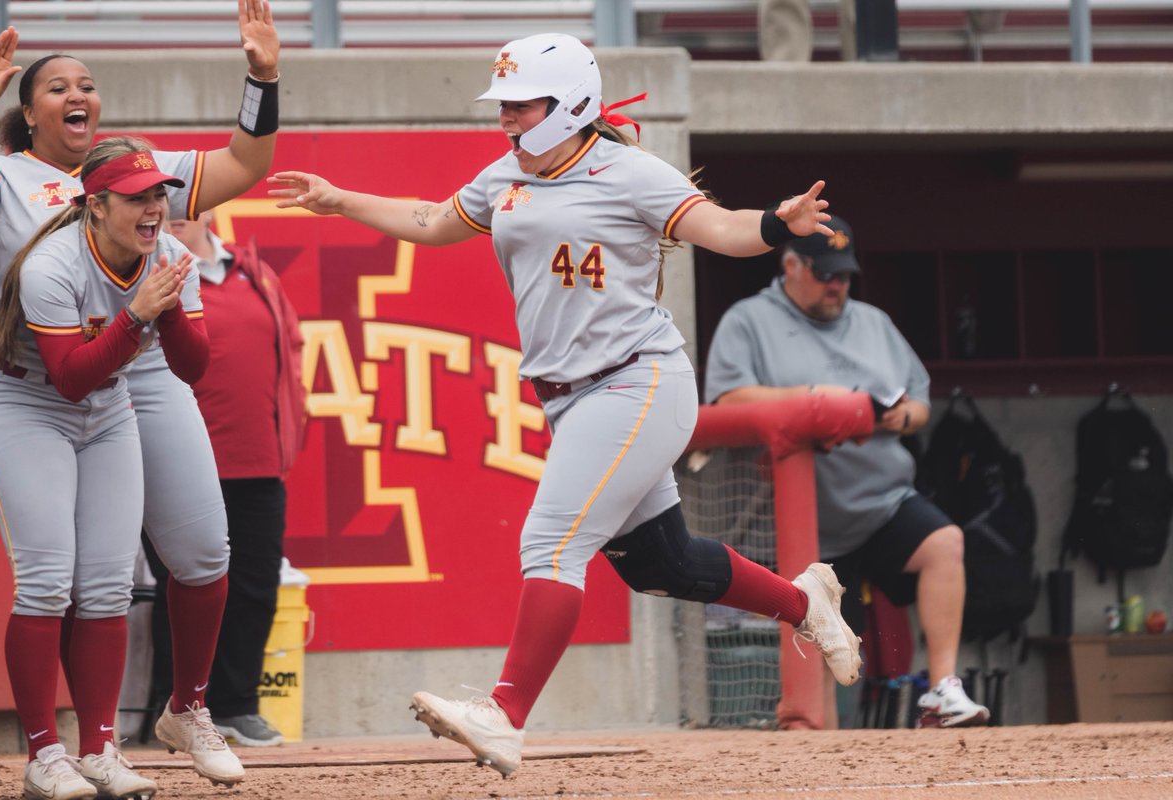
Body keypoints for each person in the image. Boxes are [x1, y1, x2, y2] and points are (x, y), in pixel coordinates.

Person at [268, 32, 862, 777]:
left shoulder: (628, 171)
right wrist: (338, 199)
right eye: (504, 106)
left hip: (637, 379)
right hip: (570, 399)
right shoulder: (506, 175)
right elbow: (431, 222)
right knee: (664, 566)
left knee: (552, 543)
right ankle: (806, 604)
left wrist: (778, 224)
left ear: (571, 104)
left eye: (521, 105)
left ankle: (505, 716)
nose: (507, 119)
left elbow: (723, 228)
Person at [0, 4, 281, 785]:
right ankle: (52, 748)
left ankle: (184, 710)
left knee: (203, 551)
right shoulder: (0, 176)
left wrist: (263, 76)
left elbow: (246, 166)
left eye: (89, 83)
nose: (79, 94)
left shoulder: (131, 177)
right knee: (54, 575)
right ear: (28, 115)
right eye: (57, 88)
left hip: (134, 366)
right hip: (41, 377)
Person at [0, 136, 204, 800]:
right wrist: (139, 316)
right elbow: (69, 377)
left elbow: (194, 370)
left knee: (107, 586)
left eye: (160, 193)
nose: (154, 207)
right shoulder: (52, 263)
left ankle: (100, 750)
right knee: (47, 582)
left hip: (109, 407)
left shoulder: (166, 254)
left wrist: (166, 308)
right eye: (137, 197)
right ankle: (43, 755)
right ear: (96, 206)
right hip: (28, 402)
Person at [703, 216, 991, 728]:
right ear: (791, 265)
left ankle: (943, 690)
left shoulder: (873, 321)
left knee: (945, 543)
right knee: (827, 678)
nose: (837, 285)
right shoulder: (748, 321)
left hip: (881, 501)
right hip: (803, 528)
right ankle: (822, 758)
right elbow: (728, 401)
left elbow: (921, 401)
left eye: (845, 275)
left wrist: (902, 416)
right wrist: (817, 400)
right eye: (825, 273)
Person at [147, 210, 306, 747]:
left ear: (210, 210)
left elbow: (293, 349)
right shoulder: (149, 274)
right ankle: (175, 710)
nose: (167, 217)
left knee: (255, 588)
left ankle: (238, 706)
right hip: (179, 462)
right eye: (154, 207)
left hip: (257, 461)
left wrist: (290, 423)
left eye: (181, 207)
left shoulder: (254, 270)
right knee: (186, 588)